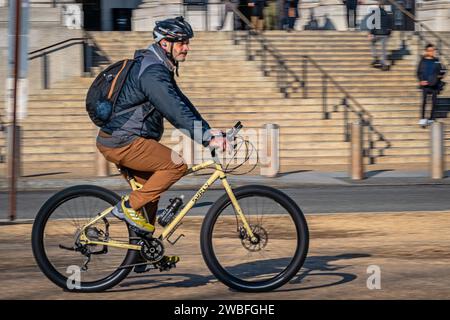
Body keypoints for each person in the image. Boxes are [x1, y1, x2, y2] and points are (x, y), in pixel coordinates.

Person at [96, 16, 229, 238]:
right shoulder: (152, 73)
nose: (186, 48)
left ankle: (142, 253)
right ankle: (127, 207)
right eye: (181, 42)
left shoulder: (158, 66)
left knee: (150, 195)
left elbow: (181, 102)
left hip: (125, 139)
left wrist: (208, 130)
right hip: (124, 141)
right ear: (164, 43)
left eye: (187, 42)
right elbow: (173, 110)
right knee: (176, 165)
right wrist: (206, 138)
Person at [416, 44, 447, 127]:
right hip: (425, 85)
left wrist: (440, 75)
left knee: (434, 102)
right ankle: (422, 118)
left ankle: (431, 118)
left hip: (434, 84)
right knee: (424, 102)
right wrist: (421, 81)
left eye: (433, 50)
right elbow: (418, 72)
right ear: (426, 51)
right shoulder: (422, 61)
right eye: (430, 50)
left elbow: (442, 71)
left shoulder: (437, 60)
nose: (432, 52)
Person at [368, 1, 392, 71]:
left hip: (377, 33)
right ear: (384, 7)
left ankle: (375, 57)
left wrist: (370, 33)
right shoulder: (387, 14)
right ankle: (384, 64)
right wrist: (389, 33)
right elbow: (390, 25)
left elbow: (372, 24)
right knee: (383, 49)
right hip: (385, 34)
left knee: (372, 43)